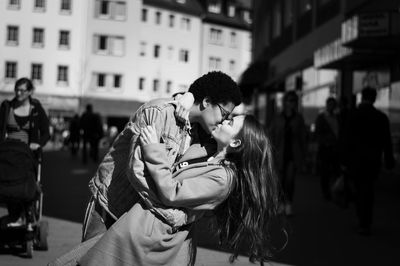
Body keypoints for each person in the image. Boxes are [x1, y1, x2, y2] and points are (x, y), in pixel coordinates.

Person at [52, 115, 282, 266]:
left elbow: (171, 191)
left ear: (235, 143)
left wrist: (153, 148)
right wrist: (187, 96)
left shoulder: (223, 178)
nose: (224, 120)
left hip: (150, 238)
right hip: (137, 223)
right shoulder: (208, 151)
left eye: (230, 123)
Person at [81, 71, 242, 242]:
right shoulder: (159, 112)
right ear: (207, 102)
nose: (224, 121)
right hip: (111, 205)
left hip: (140, 220)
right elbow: (138, 174)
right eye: (224, 114)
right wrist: (172, 213)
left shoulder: (201, 133)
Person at [342, 87, 395, 236]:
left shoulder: (353, 115)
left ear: (362, 97)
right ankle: (366, 221)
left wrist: (343, 160)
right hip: (373, 160)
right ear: (374, 98)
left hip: (356, 160)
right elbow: (387, 141)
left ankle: (361, 218)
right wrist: (389, 160)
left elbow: (346, 139)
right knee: (369, 189)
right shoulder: (381, 117)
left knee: (359, 188)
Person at [0, 77, 50, 225]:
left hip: (28, 154)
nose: (18, 92)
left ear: (30, 92)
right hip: (8, 153)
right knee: (8, 181)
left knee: (26, 182)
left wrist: (38, 144)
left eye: (22, 90)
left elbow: (46, 133)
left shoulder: (35, 109)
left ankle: (27, 212)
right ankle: (14, 214)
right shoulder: (7, 107)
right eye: (17, 89)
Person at [269, 90, 307, 216]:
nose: (292, 103)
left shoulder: (298, 118)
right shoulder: (277, 118)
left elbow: (303, 137)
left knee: (290, 180)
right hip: (279, 154)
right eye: (289, 100)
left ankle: (289, 203)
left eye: (294, 101)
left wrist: (303, 156)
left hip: (292, 154)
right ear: (285, 102)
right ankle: (280, 203)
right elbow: (271, 135)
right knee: (279, 181)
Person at [315, 97, 340, 201]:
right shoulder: (321, 118)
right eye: (330, 104)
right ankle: (327, 192)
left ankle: (333, 190)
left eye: (333, 105)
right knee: (325, 171)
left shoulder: (337, 117)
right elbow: (318, 133)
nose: (331, 106)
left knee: (335, 170)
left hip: (335, 147)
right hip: (325, 147)